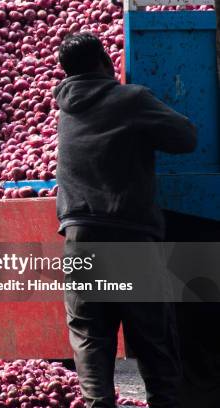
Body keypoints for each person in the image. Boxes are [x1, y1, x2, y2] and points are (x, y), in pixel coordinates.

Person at [54, 32, 196, 408]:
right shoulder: (130, 99)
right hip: (129, 237)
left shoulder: (65, 109)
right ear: (105, 61)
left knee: (90, 341)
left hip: (80, 238)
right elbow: (186, 137)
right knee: (154, 344)